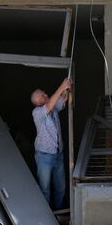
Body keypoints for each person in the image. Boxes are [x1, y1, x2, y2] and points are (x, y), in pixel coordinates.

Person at [30, 78, 72, 211]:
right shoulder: (37, 113)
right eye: (42, 95)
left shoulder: (52, 107)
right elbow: (49, 106)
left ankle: (59, 213)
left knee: (61, 187)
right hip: (44, 157)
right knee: (45, 189)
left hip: (58, 154)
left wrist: (68, 88)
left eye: (44, 92)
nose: (45, 94)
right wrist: (62, 86)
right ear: (37, 102)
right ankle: (47, 216)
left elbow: (64, 100)